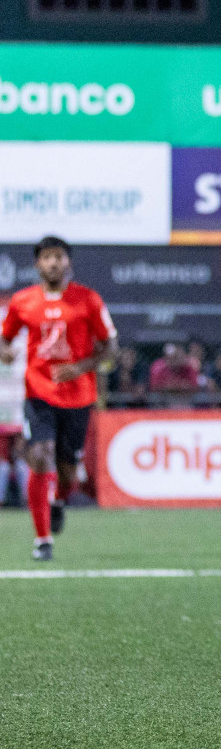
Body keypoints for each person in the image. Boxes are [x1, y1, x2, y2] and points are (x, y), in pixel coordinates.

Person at [0, 237, 117, 561]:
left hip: (78, 397)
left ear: (69, 262)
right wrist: (5, 352)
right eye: (47, 257)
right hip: (38, 393)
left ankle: (60, 500)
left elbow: (110, 347)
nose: (53, 263)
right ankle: (42, 540)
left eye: (59, 257)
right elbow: (4, 338)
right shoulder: (23, 301)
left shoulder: (88, 300)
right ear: (37, 264)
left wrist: (80, 367)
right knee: (40, 454)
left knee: (67, 473)